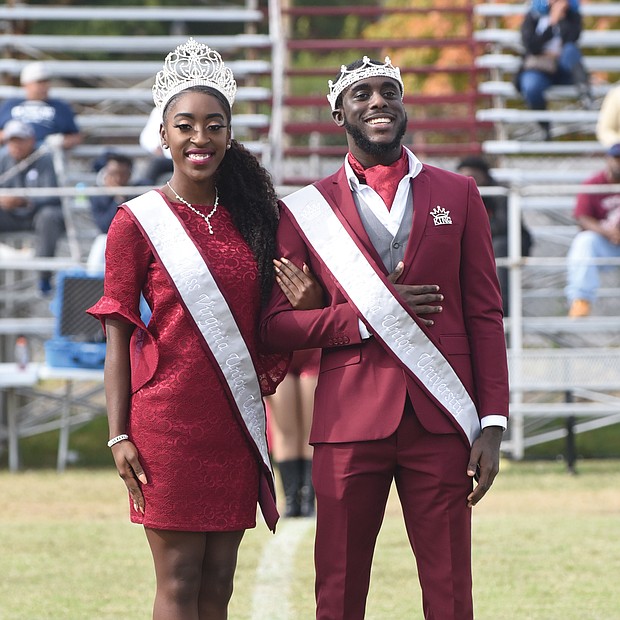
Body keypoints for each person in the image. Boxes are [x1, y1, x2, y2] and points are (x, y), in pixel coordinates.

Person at [260, 56, 509, 619]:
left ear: (403, 105)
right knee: (339, 592)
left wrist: (492, 422)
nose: (378, 102)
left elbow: (486, 315)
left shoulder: (460, 192)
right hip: (347, 422)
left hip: (443, 418)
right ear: (338, 113)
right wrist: (360, 317)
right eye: (362, 94)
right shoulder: (305, 210)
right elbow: (275, 326)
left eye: (388, 91)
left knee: (450, 593)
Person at [86, 39, 292, 619]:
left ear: (229, 135)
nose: (199, 138)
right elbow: (117, 337)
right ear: (164, 136)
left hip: (231, 422)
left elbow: (270, 322)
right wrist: (118, 432)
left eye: (213, 125)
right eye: (186, 125)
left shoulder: (254, 219)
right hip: (166, 426)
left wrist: (309, 299)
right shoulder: (136, 221)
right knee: (178, 582)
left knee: (218, 585)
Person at [456, 155, 533, 315]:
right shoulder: (457, 194)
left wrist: (471, 230)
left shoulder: (500, 193)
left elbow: (504, 226)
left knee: (499, 247)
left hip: (508, 245)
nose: (469, 181)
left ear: (485, 176)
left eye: (473, 177)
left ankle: (501, 308)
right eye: (463, 177)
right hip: (477, 247)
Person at [0, 119, 63, 295]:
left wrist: (23, 201)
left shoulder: (44, 158)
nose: (16, 145)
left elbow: (53, 196)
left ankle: (44, 276)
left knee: (49, 216)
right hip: (9, 215)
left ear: (31, 140)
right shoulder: (2, 157)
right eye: (12, 140)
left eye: (20, 140)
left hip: (36, 215)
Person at [515, 0, 592, 141]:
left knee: (570, 50)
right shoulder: (533, 15)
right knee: (531, 85)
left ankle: (585, 92)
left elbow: (571, 39)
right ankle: (544, 126)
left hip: (563, 68)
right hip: (541, 67)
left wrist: (561, 19)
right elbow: (532, 46)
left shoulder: (572, 15)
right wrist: (552, 22)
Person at [565, 143, 620, 318]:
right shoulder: (593, 182)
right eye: (617, 159)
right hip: (606, 243)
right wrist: (608, 233)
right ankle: (581, 299)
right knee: (585, 241)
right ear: (608, 159)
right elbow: (582, 218)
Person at [266, 348, 320, 518]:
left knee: (311, 431)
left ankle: (308, 501)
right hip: (277, 348)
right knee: (284, 430)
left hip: (314, 348)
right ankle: (291, 501)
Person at [0, 61, 82, 150]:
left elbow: (76, 136)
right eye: (39, 82)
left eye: (46, 82)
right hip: (13, 154)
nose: (44, 87)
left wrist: (62, 141)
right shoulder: (10, 105)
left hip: (45, 153)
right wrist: (10, 137)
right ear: (26, 84)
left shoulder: (60, 107)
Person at [138, 106, 174, 185]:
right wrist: (155, 148)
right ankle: (147, 191)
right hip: (165, 158)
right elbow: (145, 137)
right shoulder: (159, 111)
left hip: (187, 156)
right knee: (155, 164)